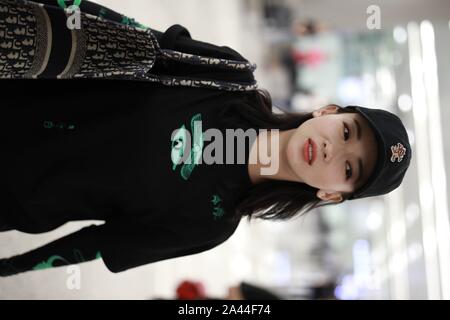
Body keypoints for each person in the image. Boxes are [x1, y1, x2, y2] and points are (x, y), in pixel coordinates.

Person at [0, 0, 412, 277]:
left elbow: (95, 243)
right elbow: (121, 35)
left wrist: (10, 267)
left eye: (348, 167)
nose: (331, 149)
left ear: (332, 194)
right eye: (345, 132)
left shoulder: (211, 226)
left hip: (14, 200)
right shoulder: (229, 78)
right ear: (329, 112)